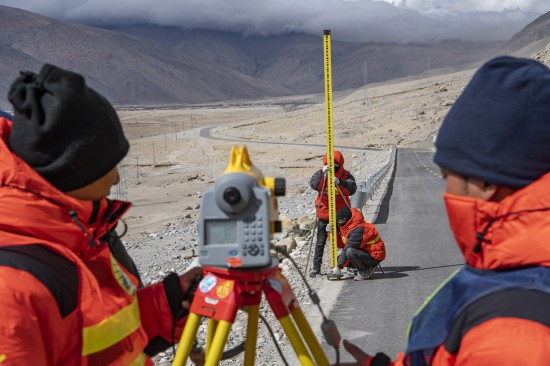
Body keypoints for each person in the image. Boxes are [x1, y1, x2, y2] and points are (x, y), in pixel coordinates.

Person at [340, 56, 550, 365]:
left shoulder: (512, 333)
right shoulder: (506, 273)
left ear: (484, 182)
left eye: (447, 177)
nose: (445, 193)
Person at [0, 64, 201, 364]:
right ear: (75, 170)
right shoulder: (13, 289)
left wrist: (171, 300)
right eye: (109, 165)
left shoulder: (80, 236)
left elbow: (103, 333)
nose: (117, 179)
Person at [309, 150, 357, 277]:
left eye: (336, 165)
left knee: (347, 240)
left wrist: (341, 182)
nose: (333, 168)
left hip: (341, 215)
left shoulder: (346, 175)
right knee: (320, 242)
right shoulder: (321, 173)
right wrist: (322, 175)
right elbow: (314, 185)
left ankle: (350, 266)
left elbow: (352, 189)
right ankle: (316, 268)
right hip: (324, 214)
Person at [329, 207, 385, 280]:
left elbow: (347, 248)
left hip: (374, 255)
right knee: (340, 258)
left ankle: (365, 271)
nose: (340, 223)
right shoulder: (348, 227)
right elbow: (341, 244)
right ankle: (364, 267)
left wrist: (338, 267)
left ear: (348, 219)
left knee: (350, 252)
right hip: (365, 252)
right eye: (338, 221)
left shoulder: (358, 229)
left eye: (342, 220)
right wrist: (331, 233)